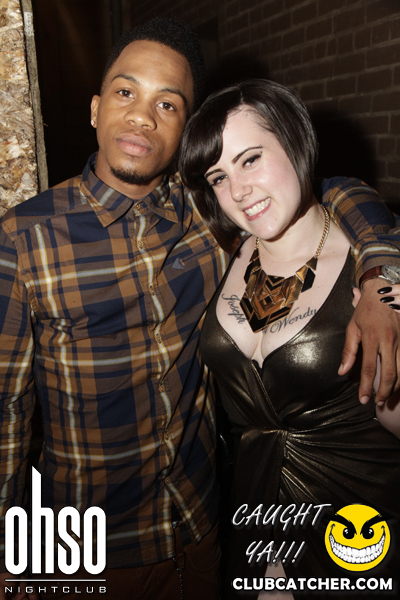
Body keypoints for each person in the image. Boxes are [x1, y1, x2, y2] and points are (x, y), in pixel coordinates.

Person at [0, 17, 399, 600]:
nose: (142, 115)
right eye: (125, 92)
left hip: (205, 528)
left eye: (167, 104)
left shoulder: (209, 218)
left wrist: (381, 272)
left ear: (187, 130)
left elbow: (328, 188)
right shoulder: (24, 237)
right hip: (90, 550)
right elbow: (6, 414)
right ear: (95, 108)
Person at [179, 79, 400, 599]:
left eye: (251, 159)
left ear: (295, 140)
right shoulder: (225, 251)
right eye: (219, 176)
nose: (238, 191)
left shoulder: (373, 270)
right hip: (254, 521)